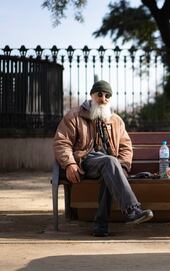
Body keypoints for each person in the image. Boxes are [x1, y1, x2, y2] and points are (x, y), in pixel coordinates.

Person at [53, 80, 153, 237]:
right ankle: (132, 210)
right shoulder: (75, 116)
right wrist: (70, 163)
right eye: (100, 94)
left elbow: (126, 148)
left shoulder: (116, 121)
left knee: (110, 169)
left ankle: (100, 226)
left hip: (108, 164)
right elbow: (61, 142)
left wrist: (124, 167)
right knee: (110, 162)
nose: (103, 98)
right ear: (92, 95)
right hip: (84, 162)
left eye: (107, 96)